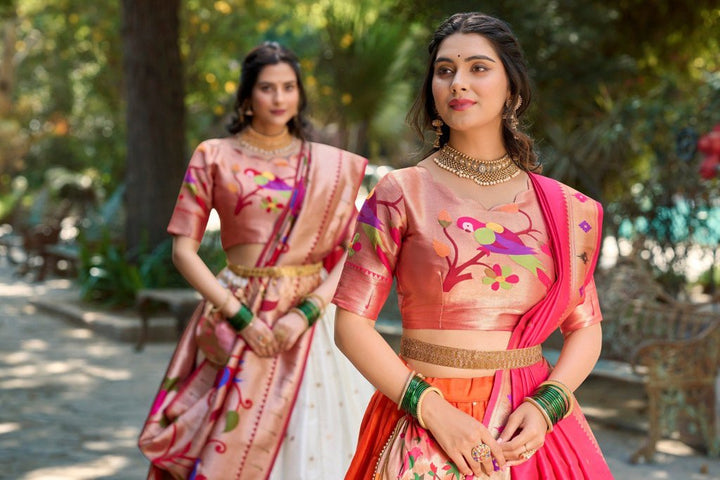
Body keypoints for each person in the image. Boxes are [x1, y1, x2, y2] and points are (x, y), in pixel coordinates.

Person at [333, 12, 614, 479]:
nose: (458, 82)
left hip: (527, 426)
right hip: (423, 415)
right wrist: (433, 411)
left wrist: (549, 404)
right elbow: (349, 325)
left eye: (478, 68)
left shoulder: (566, 208)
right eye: (445, 71)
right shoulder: (402, 192)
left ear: (514, 90)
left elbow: (585, 327)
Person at [138, 41, 373, 479]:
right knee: (224, 436)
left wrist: (307, 311)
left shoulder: (327, 166)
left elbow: (353, 252)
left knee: (312, 437)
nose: (280, 98)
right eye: (267, 88)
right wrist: (240, 316)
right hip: (232, 310)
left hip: (308, 325)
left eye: (289, 87)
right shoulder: (215, 156)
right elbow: (183, 252)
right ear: (247, 96)